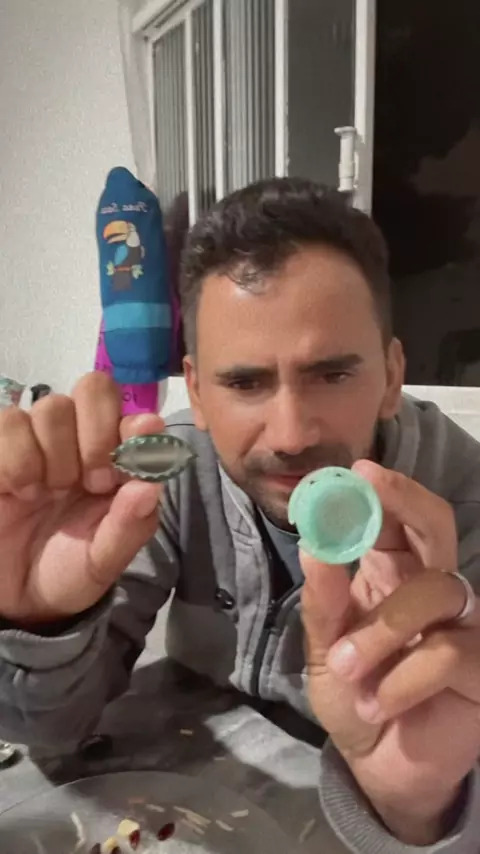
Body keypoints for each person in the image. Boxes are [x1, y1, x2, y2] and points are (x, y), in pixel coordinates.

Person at [0, 177, 480, 853]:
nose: (290, 435)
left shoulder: (463, 505)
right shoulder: (160, 472)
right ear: (196, 392)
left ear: (392, 376)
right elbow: (51, 734)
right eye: (245, 382)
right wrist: (46, 623)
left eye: (332, 374)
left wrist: (418, 805)